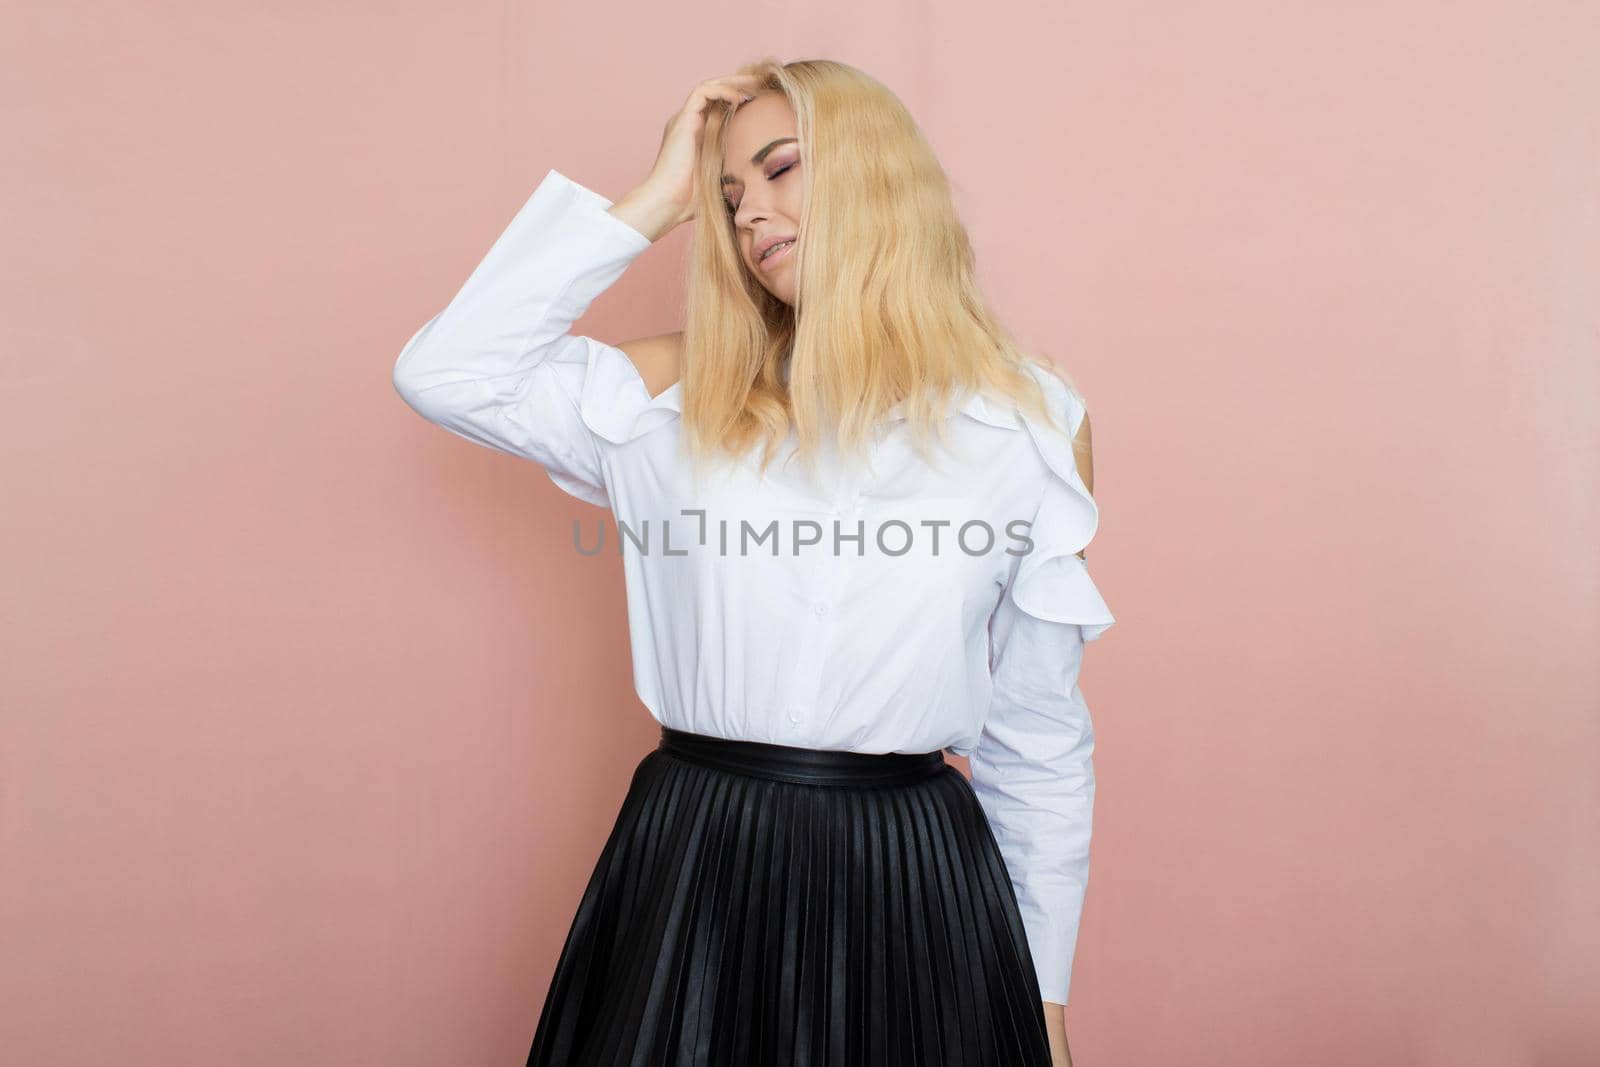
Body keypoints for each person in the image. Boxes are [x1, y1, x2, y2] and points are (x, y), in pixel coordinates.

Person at [392, 57, 1113, 1067]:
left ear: (876, 176)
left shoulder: (1030, 422)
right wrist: (651, 202)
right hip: (695, 860)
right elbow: (447, 370)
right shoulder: (671, 393)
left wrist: (1043, 997)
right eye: (728, 196)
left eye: (780, 171)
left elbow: (1035, 739)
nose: (749, 215)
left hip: (914, 881)